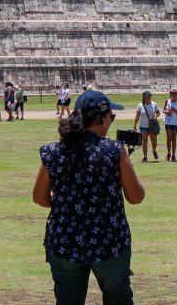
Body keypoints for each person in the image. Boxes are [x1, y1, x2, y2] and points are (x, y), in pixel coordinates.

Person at [33, 89, 144, 304]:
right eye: (111, 116)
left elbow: (39, 197)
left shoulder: (53, 151)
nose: (112, 121)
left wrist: (61, 202)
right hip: (108, 241)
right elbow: (136, 197)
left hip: (65, 241)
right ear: (100, 118)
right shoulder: (115, 151)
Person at [133, 90, 160, 162]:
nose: (149, 98)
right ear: (144, 97)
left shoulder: (154, 104)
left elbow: (158, 113)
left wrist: (156, 116)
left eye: (150, 96)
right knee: (144, 142)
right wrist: (135, 124)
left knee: (154, 141)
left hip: (152, 126)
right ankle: (145, 157)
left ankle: (154, 150)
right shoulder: (140, 105)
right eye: (147, 96)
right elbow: (137, 116)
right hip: (143, 126)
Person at [162, 88, 177, 162]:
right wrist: (167, 113)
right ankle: (168, 153)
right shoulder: (167, 101)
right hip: (168, 122)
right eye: (173, 93)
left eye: (175, 93)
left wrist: (174, 110)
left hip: (175, 123)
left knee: (174, 139)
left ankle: (173, 155)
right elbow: (163, 110)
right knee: (169, 138)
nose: (174, 95)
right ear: (170, 94)